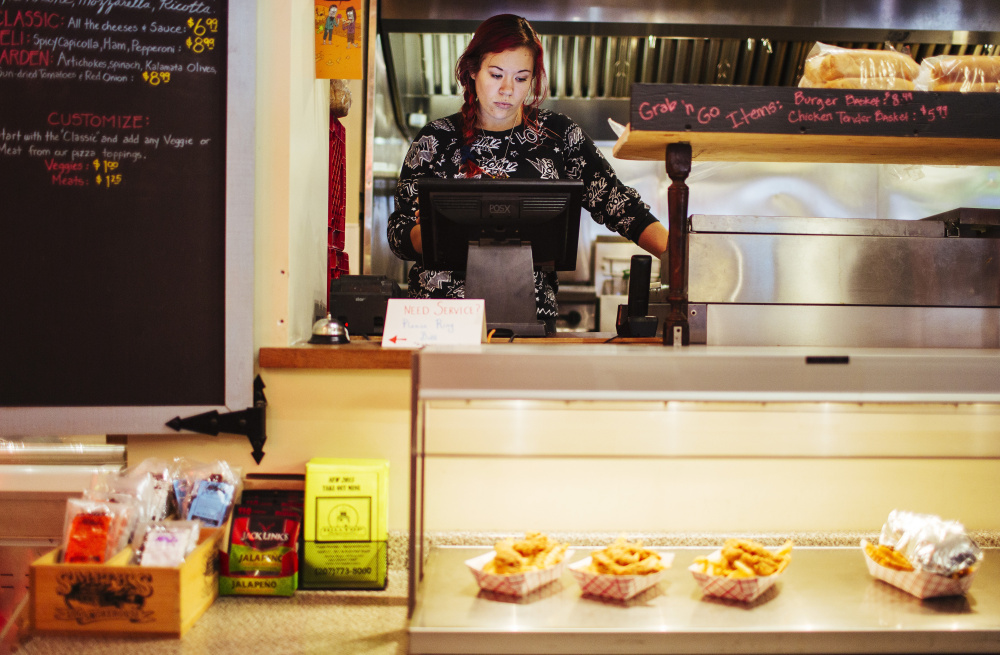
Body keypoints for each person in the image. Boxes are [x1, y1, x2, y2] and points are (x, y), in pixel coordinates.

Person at [387, 14, 668, 332]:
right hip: (440, 323)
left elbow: (620, 206)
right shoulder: (434, 139)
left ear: (533, 80)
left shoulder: (560, 136)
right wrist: (431, 235)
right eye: (496, 75)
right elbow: (398, 234)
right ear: (472, 71)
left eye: (521, 78)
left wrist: (680, 262)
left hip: (529, 323)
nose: (507, 90)